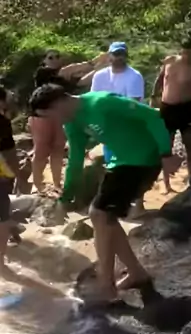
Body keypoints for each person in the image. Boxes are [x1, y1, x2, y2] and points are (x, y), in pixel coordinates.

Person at [29, 85, 179, 304]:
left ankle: (106, 285)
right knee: (104, 217)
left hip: (144, 160)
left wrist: (166, 153)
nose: (51, 122)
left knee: (99, 214)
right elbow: (75, 159)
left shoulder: (102, 102)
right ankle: (136, 273)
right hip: (120, 163)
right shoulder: (72, 123)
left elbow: (153, 117)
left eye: (49, 115)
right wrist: (66, 196)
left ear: (58, 103)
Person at [30, 49, 108, 195]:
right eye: (50, 57)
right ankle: (37, 184)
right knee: (41, 150)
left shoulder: (64, 79)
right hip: (42, 115)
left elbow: (82, 81)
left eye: (57, 56)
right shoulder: (42, 73)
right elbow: (69, 70)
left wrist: (100, 68)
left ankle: (56, 183)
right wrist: (95, 61)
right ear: (44, 61)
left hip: (60, 115)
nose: (54, 59)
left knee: (58, 148)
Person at [91, 42, 146, 216]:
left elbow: (133, 104)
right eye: (115, 54)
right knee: (112, 165)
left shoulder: (134, 76)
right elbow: (93, 100)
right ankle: (114, 202)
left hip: (130, 126)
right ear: (109, 56)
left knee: (134, 165)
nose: (119, 58)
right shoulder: (99, 76)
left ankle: (138, 204)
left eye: (122, 54)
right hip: (109, 128)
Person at [150, 41, 191, 192]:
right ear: (181, 51)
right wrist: (153, 96)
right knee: (166, 145)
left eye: (190, 53)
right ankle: (166, 182)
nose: (187, 56)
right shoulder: (170, 61)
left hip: (186, 108)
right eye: (185, 52)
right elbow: (160, 79)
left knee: (190, 144)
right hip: (167, 108)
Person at [0, 86, 30, 272]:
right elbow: (10, 152)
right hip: (3, 173)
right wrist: (18, 176)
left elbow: (10, 150)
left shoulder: (3, 122)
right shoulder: (3, 122)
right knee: (2, 213)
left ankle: (10, 232)